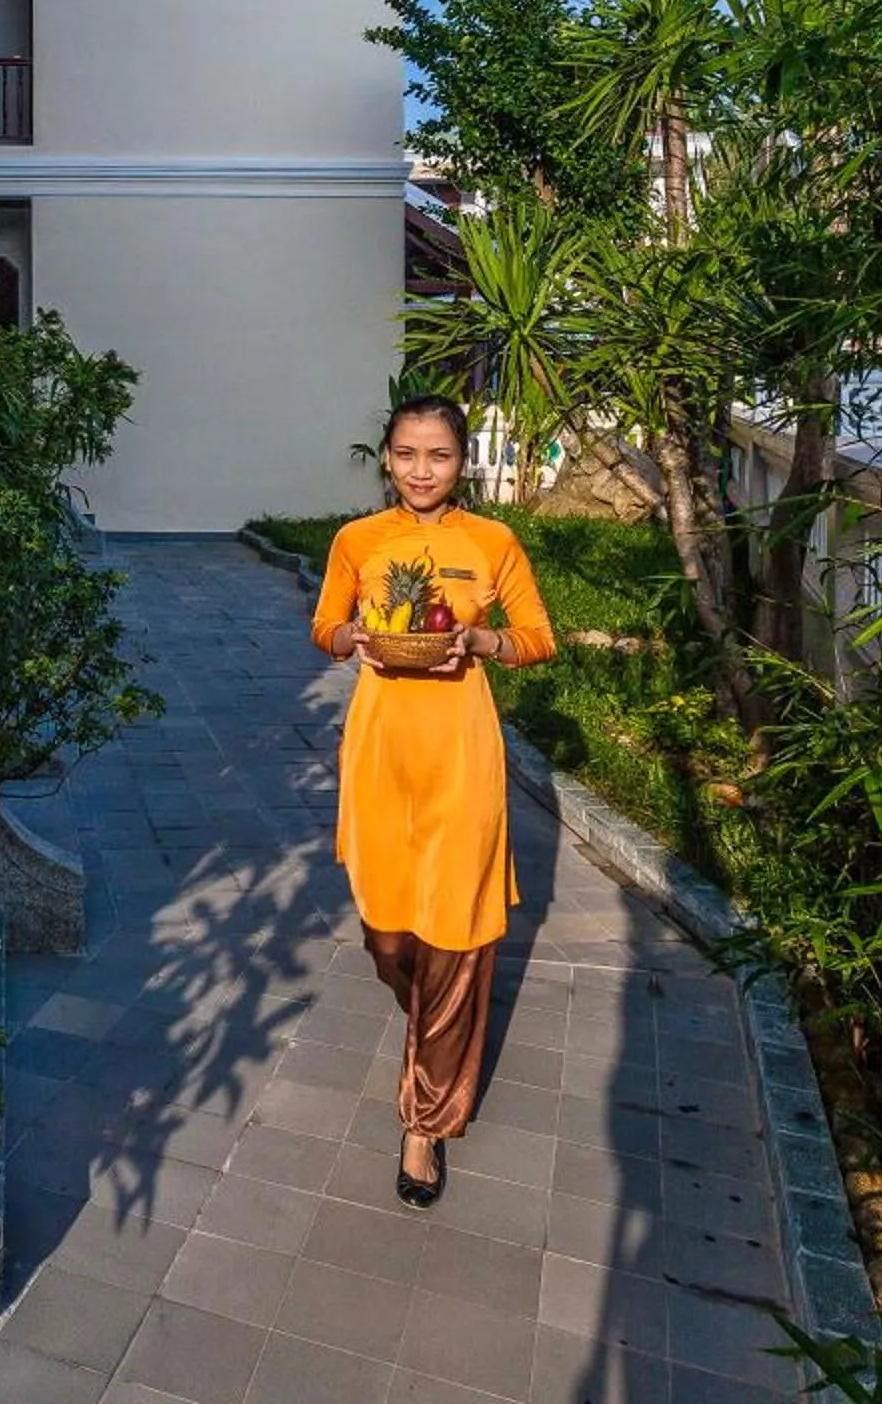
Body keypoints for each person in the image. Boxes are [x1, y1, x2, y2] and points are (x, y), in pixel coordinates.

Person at [310, 396, 553, 1207]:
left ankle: (425, 1123)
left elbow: (536, 639)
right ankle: (429, 1027)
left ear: (461, 463)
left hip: (461, 759)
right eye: (408, 454)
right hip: (380, 754)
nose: (422, 470)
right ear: (386, 458)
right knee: (389, 937)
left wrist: (483, 640)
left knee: (453, 936)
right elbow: (325, 628)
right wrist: (357, 638)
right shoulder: (357, 541)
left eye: (439, 456)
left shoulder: (493, 543)